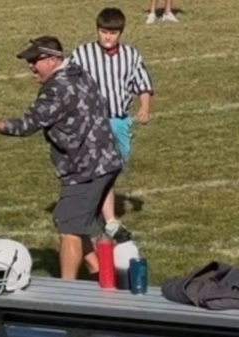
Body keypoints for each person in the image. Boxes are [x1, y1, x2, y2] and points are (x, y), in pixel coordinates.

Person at [0, 36, 123, 280]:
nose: (30, 66)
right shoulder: (78, 72)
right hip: (108, 160)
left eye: (35, 60)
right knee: (76, 222)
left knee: (68, 226)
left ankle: (65, 294)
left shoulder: (55, 89)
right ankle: (103, 278)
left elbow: (24, 126)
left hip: (85, 168)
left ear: (54, 59)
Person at [70, 7, 153, 239]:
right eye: (104, 31)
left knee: (114, 168)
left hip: (119, 121)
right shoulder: (81, 54)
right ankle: (108, 219)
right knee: (101, 168)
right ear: (97, 31)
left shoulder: (131, 55)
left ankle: (96, 207)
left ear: (120, 33)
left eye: (113, 33)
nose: (107, 37)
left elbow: (142, 83)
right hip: (92, 122)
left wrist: (145, 107)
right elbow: (67, 83)